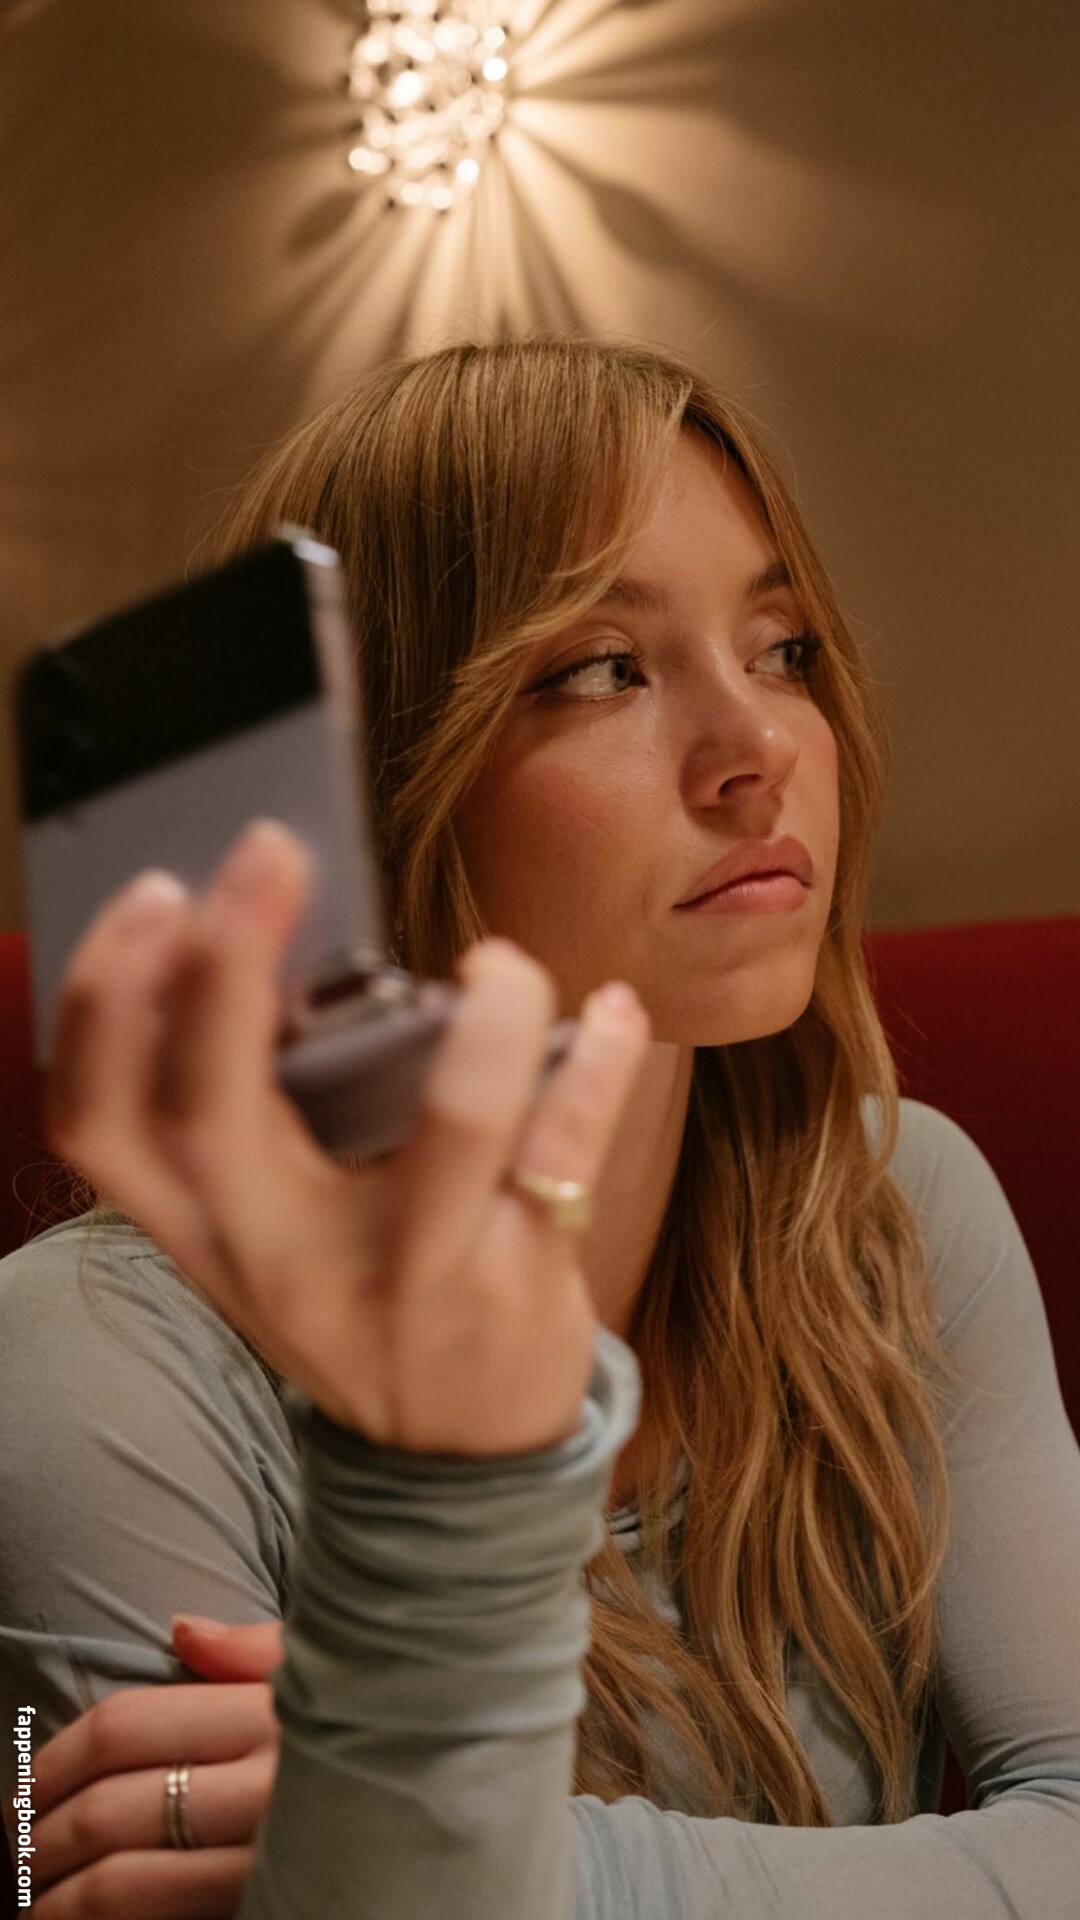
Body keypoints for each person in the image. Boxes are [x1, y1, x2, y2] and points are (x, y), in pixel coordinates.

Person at [1, 335, 1077, 1920]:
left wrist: (523, 1864)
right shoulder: (86, 1361)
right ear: (376, 780)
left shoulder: (897, 1202)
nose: (759, 749)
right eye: (601, 669)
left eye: (782, 647)